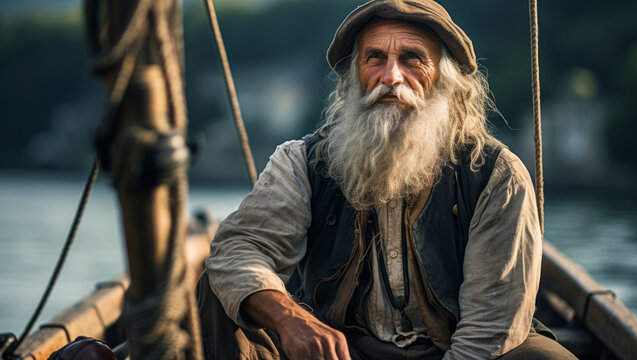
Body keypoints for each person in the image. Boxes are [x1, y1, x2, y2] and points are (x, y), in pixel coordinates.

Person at [196, 0, 577, 359]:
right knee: (219, 294)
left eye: (412, 59)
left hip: (455, 350)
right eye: (375, 58)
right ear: (354, 77)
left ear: (443, 80)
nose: (391, 76)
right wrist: (290, 319)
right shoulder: (303, 161)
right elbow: (236, 250)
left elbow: (489, 327)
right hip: (339, 351)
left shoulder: (495, 175)